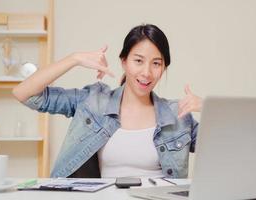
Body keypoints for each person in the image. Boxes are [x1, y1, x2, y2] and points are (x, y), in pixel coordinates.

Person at [12, 24, 202, 178]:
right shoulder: (93, 102)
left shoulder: (178, 114)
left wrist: (207, 108)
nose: (146, 72)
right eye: (138, 61)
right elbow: (24, 94)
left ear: (164, 68)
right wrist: (74, 59)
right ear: (124, 61)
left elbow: (227, 150)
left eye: (156, 63)